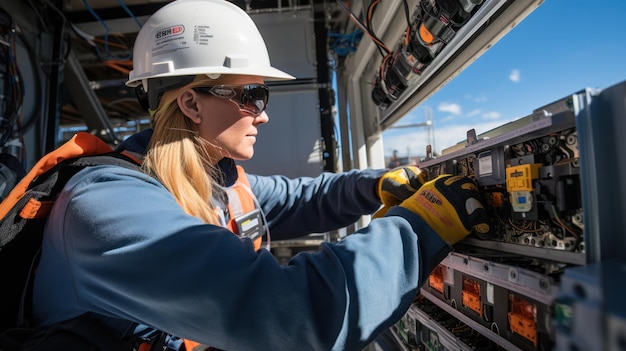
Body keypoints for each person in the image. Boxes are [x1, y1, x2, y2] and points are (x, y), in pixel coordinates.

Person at [30, 0, 491, 350]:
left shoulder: (213, 183)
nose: (262, 115)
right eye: (252, 95)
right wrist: (420, 229)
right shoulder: (107, 208)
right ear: (190, 103)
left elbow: (298, 198)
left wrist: (373, 186)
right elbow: (291, 316)